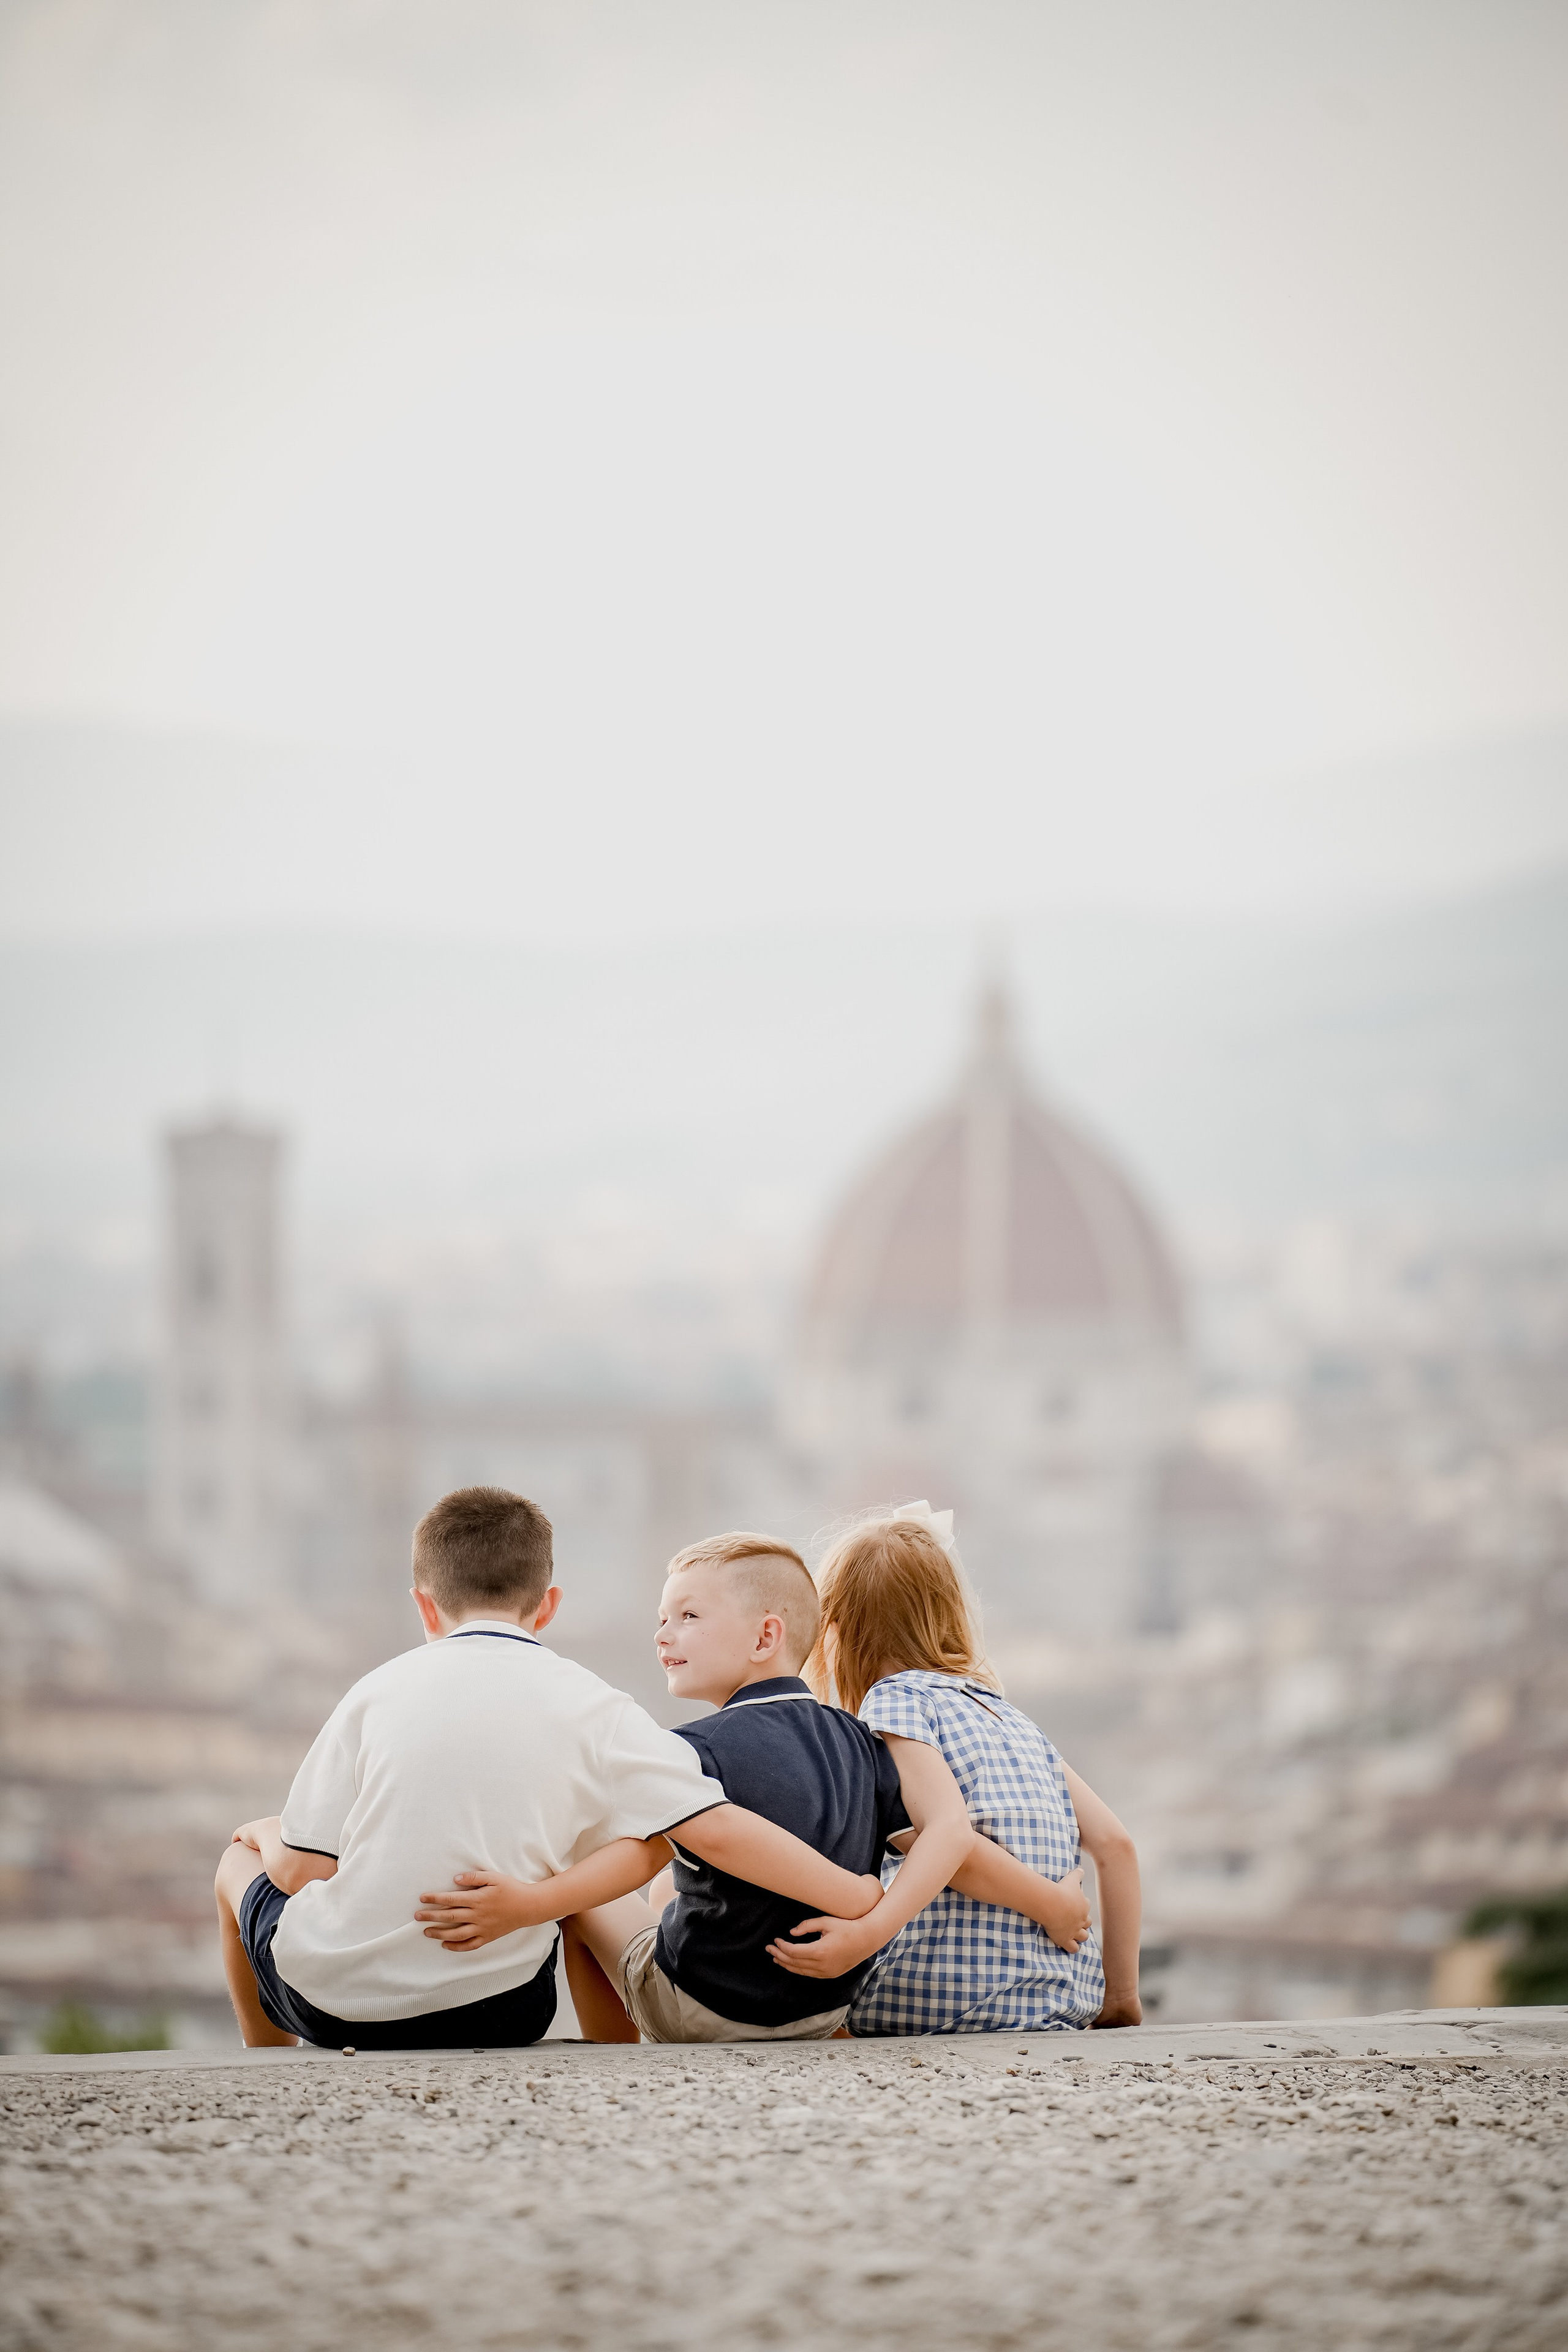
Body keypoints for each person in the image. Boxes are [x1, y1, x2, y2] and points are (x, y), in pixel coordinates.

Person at [214, 1487, 886, 2050]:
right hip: (500, 2011)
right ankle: (609, 2057)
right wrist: (854, 1894)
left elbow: (302, 1872)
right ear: (548, 1605)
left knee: (235, 1866)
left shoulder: (374, 1691)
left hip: (333, 2013)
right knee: (577, 1883)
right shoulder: (599, 1705)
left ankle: (265, 2058)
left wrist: (267, 1833)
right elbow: (715, 1827)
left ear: (423, 1606)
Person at [415, 1529, 1094, 2040]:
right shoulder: (858, 1738)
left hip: (710, 2005)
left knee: (586, 1895)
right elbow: (945, 1847)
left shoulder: (689, 1748)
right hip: (821, 2007)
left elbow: (634, 1859)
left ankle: (615, 2051)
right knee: (672, 1881)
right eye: (662, 1618)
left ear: (766, 1635)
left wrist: (529, 1903)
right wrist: (1047, 1902)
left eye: (687, 1617)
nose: (663, 1635)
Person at [767, 1503, 1142, 2035]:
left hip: (936, 2001)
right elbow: (1115, 1845)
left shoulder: (892, 1705)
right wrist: (1121, 1995)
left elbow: (946, 1843)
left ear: (838, 1631)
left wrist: (1054, 1905)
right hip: (1058, 2003)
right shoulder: (1010, 1718)